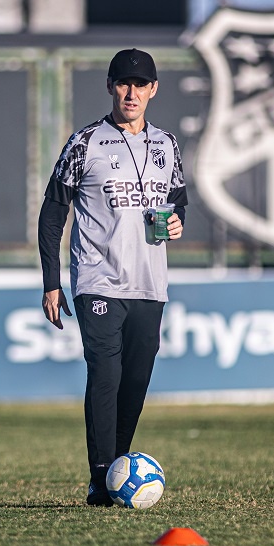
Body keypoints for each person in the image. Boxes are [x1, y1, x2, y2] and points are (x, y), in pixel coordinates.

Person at [38, 48, 187, 506]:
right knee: (105, 373)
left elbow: (178, 202)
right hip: (97, 280)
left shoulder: (167, 144)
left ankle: (119, 465)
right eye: (123, 83)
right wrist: (51, 282)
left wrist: (178, 220)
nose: (131, 92)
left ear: (153, 90)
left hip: (149, 284)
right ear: (109, 86)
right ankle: (100, 475)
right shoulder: (84, 142)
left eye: (140, 84)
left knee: (136, 380)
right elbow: (51, 213)